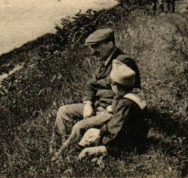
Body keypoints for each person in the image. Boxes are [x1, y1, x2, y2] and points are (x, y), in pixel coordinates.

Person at [51, 28, 141, 157]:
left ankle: (66, 155)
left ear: (109, 44)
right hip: (96, 106)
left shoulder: (122, 62)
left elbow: (127, 91)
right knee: (63, 111)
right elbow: (90, 85)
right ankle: (59, 147)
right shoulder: (104, 62)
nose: (93, 52)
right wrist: (87, 104)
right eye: (91, 47)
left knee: (79, 126)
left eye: (96, 47)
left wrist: (110, 108)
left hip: (110, 110)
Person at [77, 59, 149, 162]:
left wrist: (101, 134)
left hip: (126, 144)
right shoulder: (135, 94)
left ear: (115, 87)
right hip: (137, 137)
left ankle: (80, 154)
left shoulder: (126, 104)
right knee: (91, 133)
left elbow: (116, 129)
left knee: (87, 146)